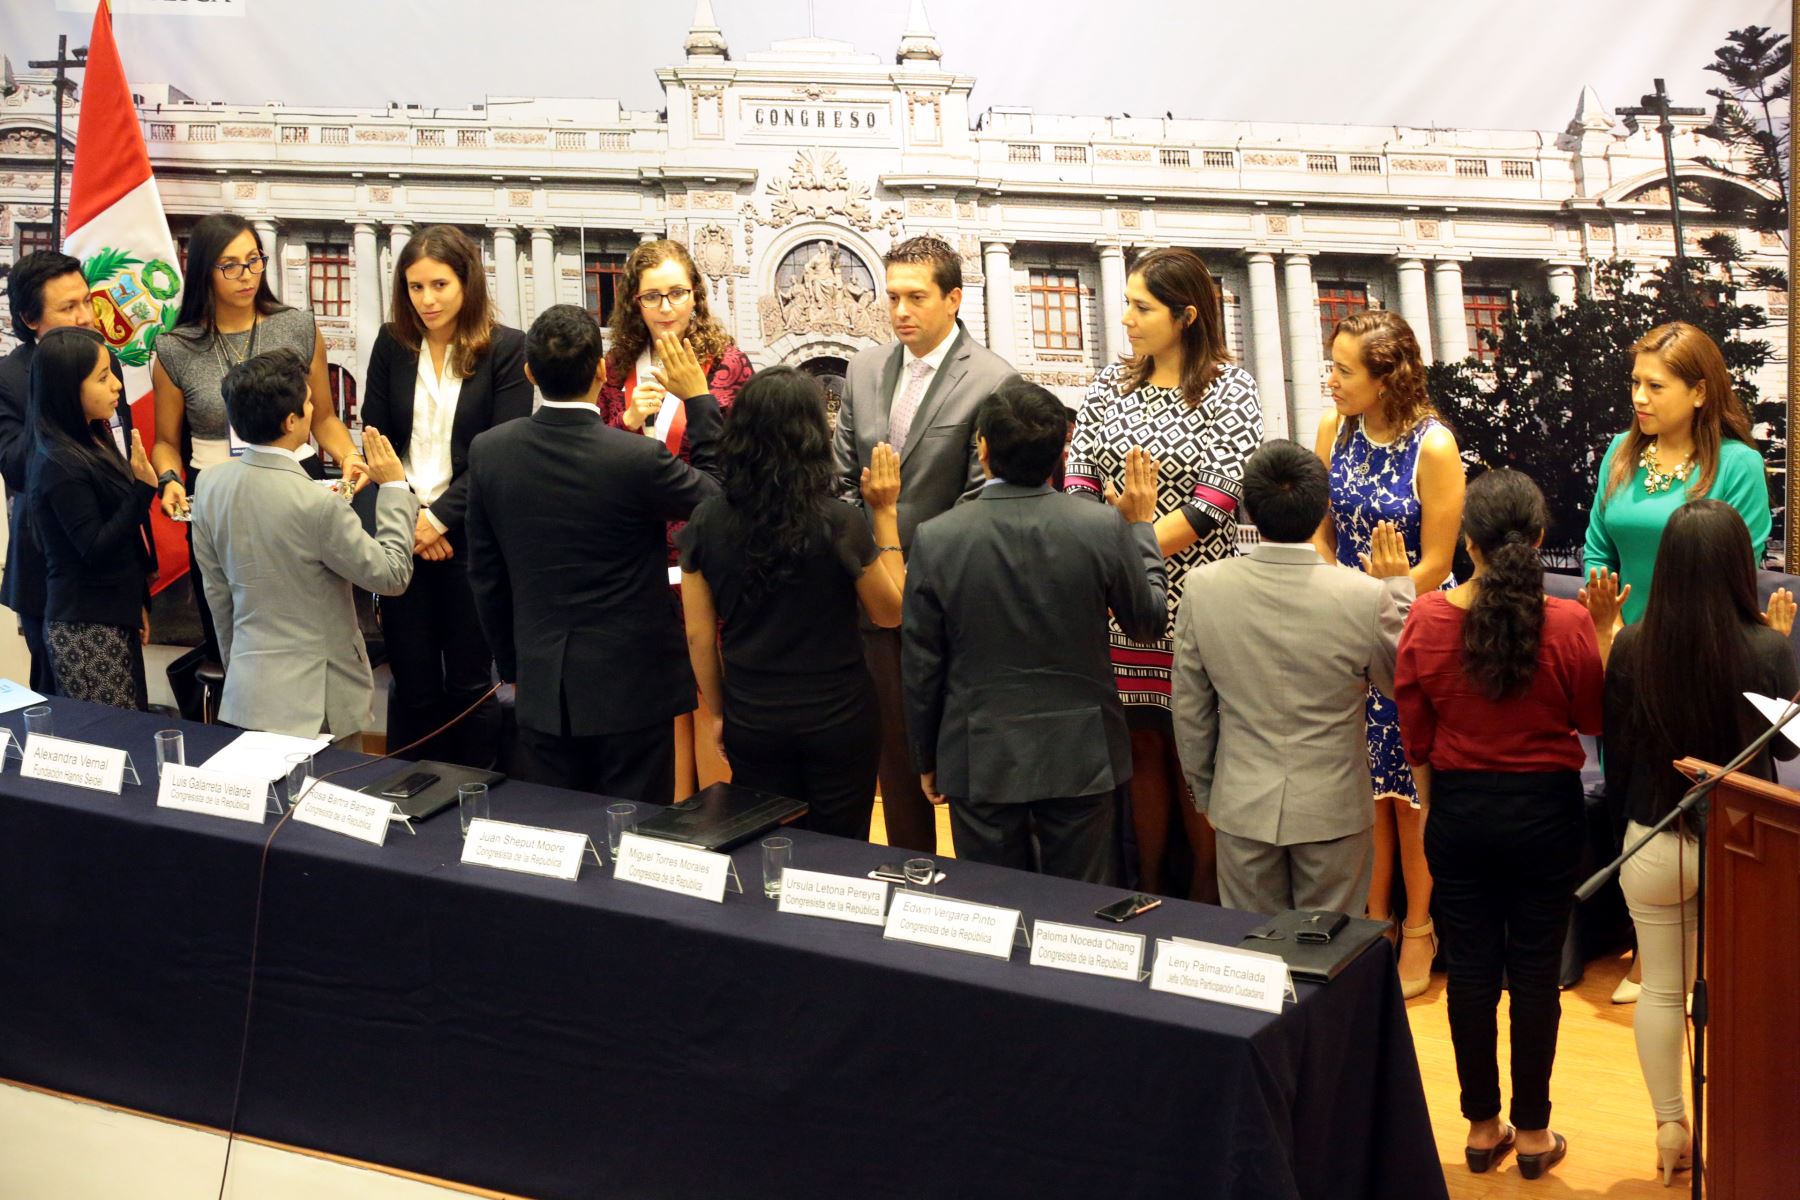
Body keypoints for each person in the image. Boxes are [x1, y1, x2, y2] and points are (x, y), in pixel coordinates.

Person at [1394, 469, 1607, 1182]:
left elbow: (1415, 738)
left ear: (1468, 542)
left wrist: (1433, 812)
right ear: (1540, 540)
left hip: (1459, 810)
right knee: (1537, 974)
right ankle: (1538, 1133)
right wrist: (1606, 636)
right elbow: (1593, 719)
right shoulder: (1572, 622)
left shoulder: (1426, 619)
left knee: (1474, 974)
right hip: (1546, 813)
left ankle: (1484, 1129)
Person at [1597, 499, 1797, 1186]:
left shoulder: (1630, 643)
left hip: (1650, 837)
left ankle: (1671, 1127)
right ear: (1741, 566)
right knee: (1743, 1001)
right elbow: (1790, 746)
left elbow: (1616, 757)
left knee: (1661, 992)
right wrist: (1783, 654)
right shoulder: (1768, 647)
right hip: (1742, 848)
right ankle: (1744, 1139)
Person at [902, 381, 1167, 883]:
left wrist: (925, 754)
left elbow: (922, 664)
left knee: (991, 909)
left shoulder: (937, 538)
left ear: (982, 448)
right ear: (1059, 452)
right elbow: (1148, 623)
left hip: (977, 750)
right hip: (1081, 751)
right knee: (1078, 912)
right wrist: (1140, 526)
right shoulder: (1101, 527)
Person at [1064, 246, 1263, 899]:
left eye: (1140, 306)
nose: (1124, 318)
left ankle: (1207, 892)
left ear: (1184, 316)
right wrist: (1116, 554)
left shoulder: (1231, 389)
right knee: (1144, 751)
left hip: (1196, 610)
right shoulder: (1108, 383)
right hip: (1121, 611)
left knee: (1195, 758)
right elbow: (1078, 479)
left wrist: (1133, 546)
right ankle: (1150, 884)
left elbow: (1216, 503)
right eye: (1125, 303)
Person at [464, 305, 723, 802]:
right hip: (634, 689)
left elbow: (486, 577)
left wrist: (517, 667)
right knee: (634, 841)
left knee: (556, 843)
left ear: (529, 373)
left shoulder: (490, 451)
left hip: (542, 686)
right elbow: (718, 497)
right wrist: (699, 400)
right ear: (602, 369)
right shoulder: (637, 458)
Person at [832, 235, 1020, 854]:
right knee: (893, 758)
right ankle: (909, 885)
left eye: (916, 297)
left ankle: (974, 899)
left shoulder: (994, 380)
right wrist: (874, 565)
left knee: (959, 763)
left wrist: (915, 570)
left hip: (954, 604)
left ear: (954, 299)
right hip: (870, 602)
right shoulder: (862, 369)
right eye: (893, 298)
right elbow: (838, 480)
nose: (901, 311)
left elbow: (981, 501)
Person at [1172, 440, 1413, 916]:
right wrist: (1398, 591)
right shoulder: (1365, 597)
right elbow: (1400, 681)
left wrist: (1207, 794)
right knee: (1329, 959)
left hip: (1240, 802)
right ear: (1325, 507)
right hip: (1335, 806)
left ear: (1248, 508)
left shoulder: (1202, 588)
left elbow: (1191, 710)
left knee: (1256, 965)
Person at [679, 367, 904, 839]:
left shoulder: (705, 521)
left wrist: (719, 713)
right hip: (840, 717)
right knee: (840, 854)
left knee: (768, 847)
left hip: (753, 714)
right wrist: (884, 513)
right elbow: (891, 612)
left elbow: (699, 635)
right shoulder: (840, 521)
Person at [1314, 308, 1465, 997]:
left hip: (1415, 632)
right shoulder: (1332, 429)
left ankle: (1421, 929)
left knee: (1411, 795)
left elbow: (1439, 561)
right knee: (1360, 790)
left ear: (1387, 376)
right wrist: (1343, 593)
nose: (1332, 380)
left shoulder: (1433, 446)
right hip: (1346, 625)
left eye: (1344, 370)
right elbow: (1319, 533)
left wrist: (1385, 590)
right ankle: (1372, 922)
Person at [152, 213, 369, 659]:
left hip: (293, 482)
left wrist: (350, 456)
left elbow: (325, 418)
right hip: (217, 492)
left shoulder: (297, 327)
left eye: (254, 261)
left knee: (309, 614)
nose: (246, 275)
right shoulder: (175, 347)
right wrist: (169, 479)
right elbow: (166, 441)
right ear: (204, 271)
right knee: (231, 628)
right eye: (230, 265)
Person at [360, 225, 531, 767]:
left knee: (468, 682)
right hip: (403, 536)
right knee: (411, 682)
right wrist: (414, 520)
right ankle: (406, 798)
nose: (427, 300)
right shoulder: (392, 344)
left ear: (467, 283)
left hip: (469, 542)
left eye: (439, 285)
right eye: (415, 287)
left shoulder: (507, 349)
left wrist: (438, 522)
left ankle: (475, 799)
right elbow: (375, 438)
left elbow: (499, 454)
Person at [189, 351, 415, 738]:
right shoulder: (318, 503)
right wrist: (394, 486)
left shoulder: (209, 486)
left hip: (249, 691)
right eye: (309, 402)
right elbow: (392, 575)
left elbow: (218, 594)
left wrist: (238, 665)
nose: (313, 408)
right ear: (291, 420)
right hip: (318, 703)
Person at [601, 238, 753, 797]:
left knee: (712, 703)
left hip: (705, 554)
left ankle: (718, 823)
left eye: (677, 294)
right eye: (652, 297)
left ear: (696, 297)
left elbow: (741, 464)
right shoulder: (616, 369)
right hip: (635, 563)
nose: (666, 307)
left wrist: (694, 401)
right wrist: (624, 427)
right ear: (634, 304)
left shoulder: (728, 363)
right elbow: (595, 461)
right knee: (657, 711)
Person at [1, 250, 148, 694]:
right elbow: (17, 468)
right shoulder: (9, 378)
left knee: (127, 708)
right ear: (30, 318)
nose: (86, 317)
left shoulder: (103, 361)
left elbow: (119, 452)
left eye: (87, 301)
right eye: (69, 308)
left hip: (114, 568)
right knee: (68, 724)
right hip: (52, 579)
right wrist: (56, 393)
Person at [1583, 321, 1769, 626]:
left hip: (1701, 653)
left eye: (1655, 386)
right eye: (1635, 383)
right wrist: (1614, 629)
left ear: (1699, 392)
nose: (1639, 397)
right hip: (1617, 647)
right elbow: (1598, 553)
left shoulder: (1738, 465)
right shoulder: (1620, 450)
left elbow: (1734, 578)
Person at [23, 327, 157, 709]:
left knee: (133, 731)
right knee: (113, 741)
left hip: (113, 613)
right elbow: (95, 548)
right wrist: (143, 489)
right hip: (86, 627)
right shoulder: (59, 462)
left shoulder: (91, 437)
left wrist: (137, 602)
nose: (116, 385)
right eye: (102, 377)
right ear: (69, 388)